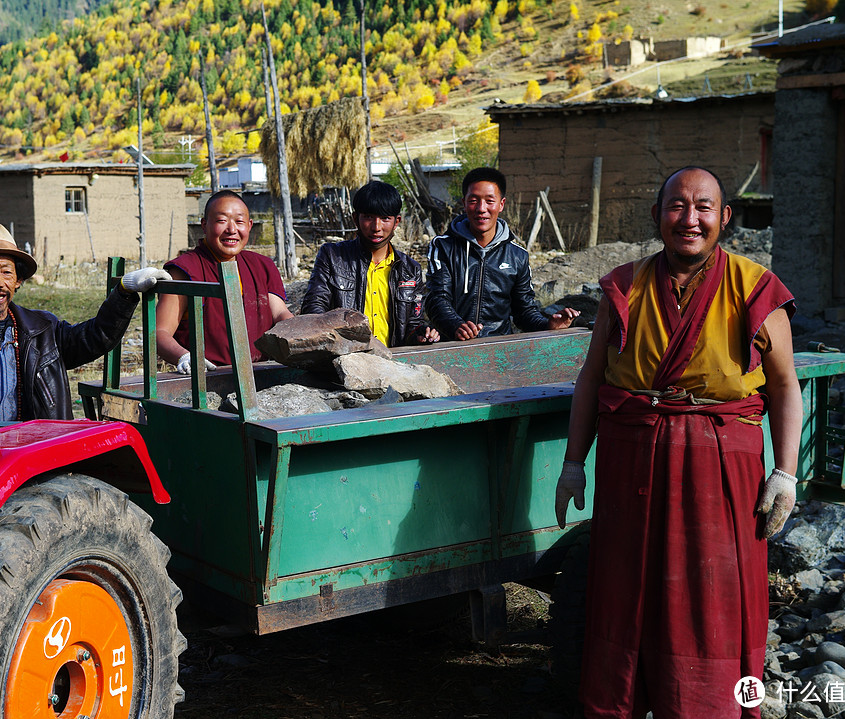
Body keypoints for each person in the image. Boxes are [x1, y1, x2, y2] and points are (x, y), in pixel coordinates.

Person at [553, 166, 802, 718]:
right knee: (626, 586)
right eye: (677, 207)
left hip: (719, 463)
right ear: (657, 215)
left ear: (724, 218)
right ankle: (621, 700)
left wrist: (785, 473)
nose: (690, 220)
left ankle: (706, 703)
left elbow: (785, 386)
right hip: (633, 458)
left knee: (712, 589)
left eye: (703, 208)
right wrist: (574, 463)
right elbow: (592, 379)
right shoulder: (624, 285)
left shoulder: (755, 286)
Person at [0, 221, 170, 420]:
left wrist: (123, 293)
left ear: (19, 280)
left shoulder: (43, 330)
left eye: (7, 272)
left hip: (33, 453)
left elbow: (96, 337)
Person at [425, 166, 578, 341]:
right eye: (474, 200)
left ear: (501, 204)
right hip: (452, 347)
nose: (481, 208)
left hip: (498, 349)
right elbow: (437, 299)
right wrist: (455, 325)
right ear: (464, 203)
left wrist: (547, 325)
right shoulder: (444, 247)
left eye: (490, 201)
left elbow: (524, 311)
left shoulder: (517, 256)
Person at [156, 190, 293, 370]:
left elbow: (279, 314)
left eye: (239, 221)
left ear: (250, 225)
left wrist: (301, 331)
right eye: (222, 221)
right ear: (204, 225)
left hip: (262, 372)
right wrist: (185, 357)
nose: (232, 230)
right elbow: (159, 332)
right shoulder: (184, 269)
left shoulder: (262, 265)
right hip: (207, 377)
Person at [302, 180, 439, 346]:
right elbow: (313, 309)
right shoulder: (332, 256)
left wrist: (420, 334)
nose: (376, 227)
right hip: (346, 360)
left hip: (392, 362)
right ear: (355, 219)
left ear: (396, 222)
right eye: (368, 217)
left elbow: (412, 324)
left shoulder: (410, 270)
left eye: (385, 218)